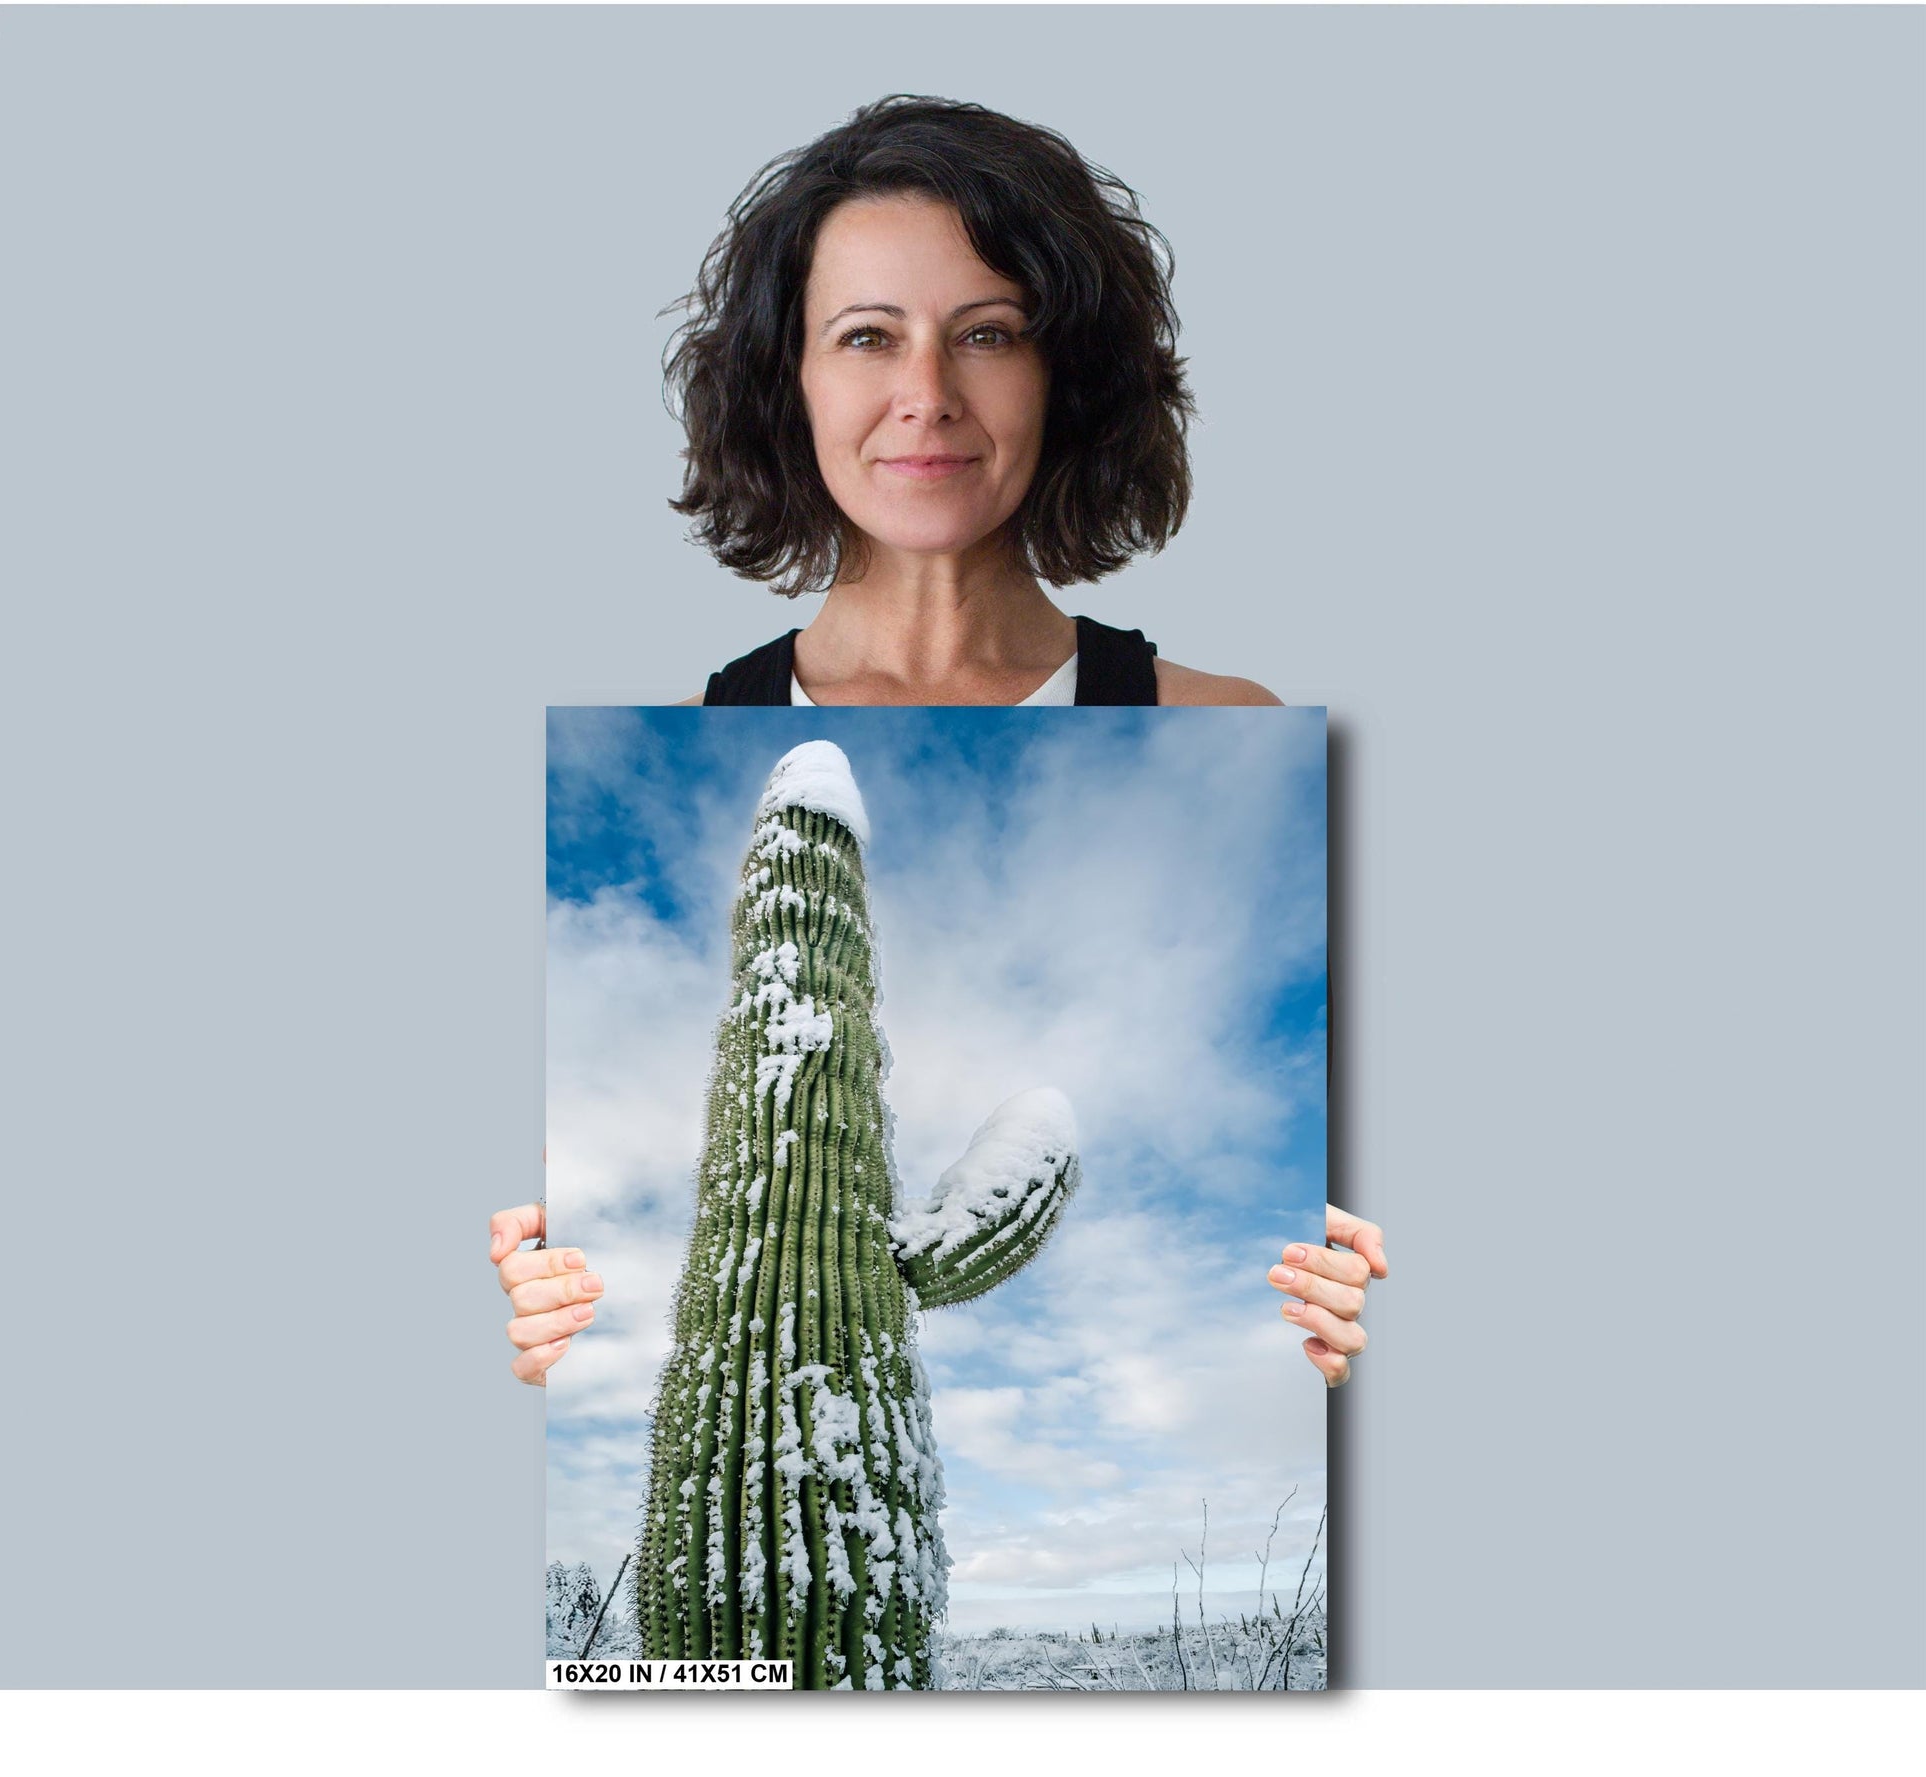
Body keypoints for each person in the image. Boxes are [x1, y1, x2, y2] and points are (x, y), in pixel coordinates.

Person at [495, 95, 1388, 1392]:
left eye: (988, 334)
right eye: (866, 336)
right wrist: (530, 1322)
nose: (925, 395)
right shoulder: (685, 735)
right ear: (788, 378)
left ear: (1063, 373)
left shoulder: (1223, 724)